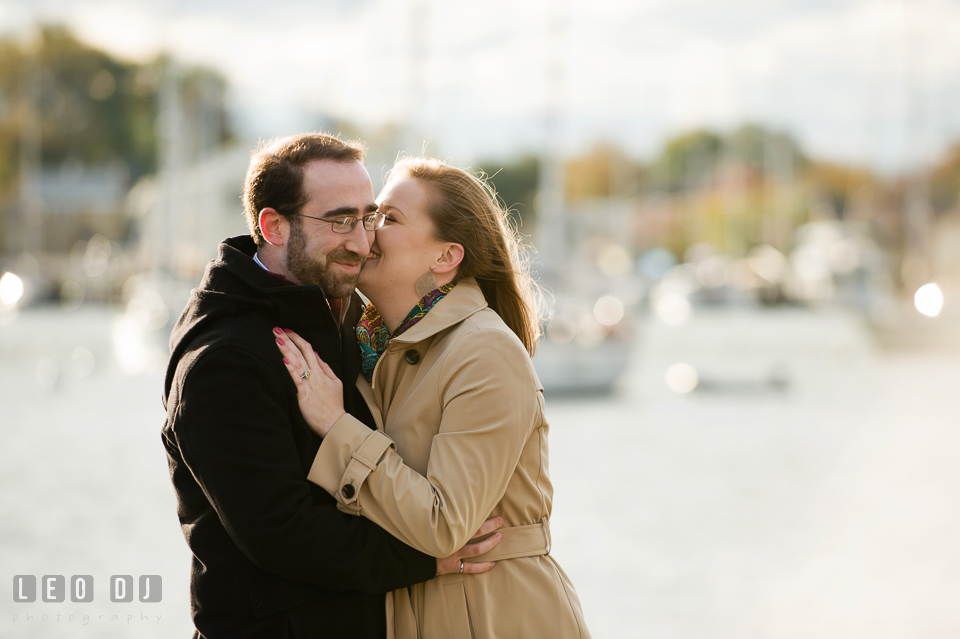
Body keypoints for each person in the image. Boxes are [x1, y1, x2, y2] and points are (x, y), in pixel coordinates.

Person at [161, 134, 501, 639]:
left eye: (369, 218)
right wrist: (427, 557)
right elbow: (283, 533)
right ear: (273, 226)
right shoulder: (222, 359)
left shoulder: (336, 315)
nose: (363, 242)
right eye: (340, 221)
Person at [275, 157, 591, 638]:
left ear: (445, 258)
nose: (368, 231)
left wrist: (336, 425)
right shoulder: (371, 350)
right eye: (370, 215)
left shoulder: (484, 350)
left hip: (495, 615)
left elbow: (445, 525)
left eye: (388, 218)